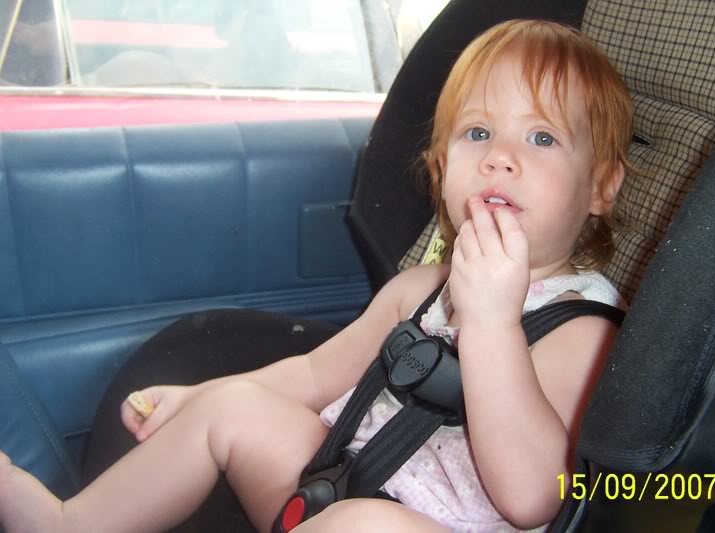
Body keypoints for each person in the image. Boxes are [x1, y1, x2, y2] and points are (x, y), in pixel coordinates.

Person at [0, 18, 632, 533]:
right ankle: (72, 521)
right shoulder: (421, 290)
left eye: (542, 138)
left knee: (363, 526)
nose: (500, 157)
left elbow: (532, 498)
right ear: (443, 169)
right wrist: (201, 397)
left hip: (436, 524)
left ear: (601, 186)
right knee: (234, 407)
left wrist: (493, 323)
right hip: (336, 481)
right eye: (478, 132)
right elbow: (312, 375)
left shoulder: (585, 331)